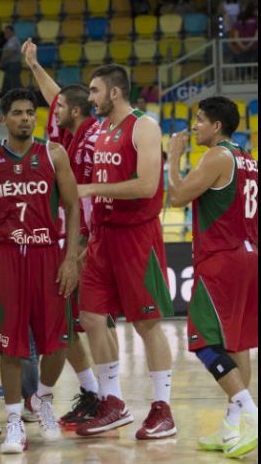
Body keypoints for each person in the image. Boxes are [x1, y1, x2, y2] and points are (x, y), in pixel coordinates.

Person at [74, 64, 176, 440]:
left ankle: (163, 408)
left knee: (147, 323)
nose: (91, 98)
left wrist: (91, 189)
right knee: (90, 316)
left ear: (114, 92)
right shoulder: (101, 131)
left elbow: (148, 186)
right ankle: (112, 401)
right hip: (104, 235)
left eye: (95, 90)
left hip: (137, 236)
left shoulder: (144, 126)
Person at [23, 39, 118, 429]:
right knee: (70, 321)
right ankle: (94, 393)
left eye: (59, 108)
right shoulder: (71, 137)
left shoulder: (96, 137)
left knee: (96, 321)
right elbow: (57, 96)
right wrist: (33, 66)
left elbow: (100, 197)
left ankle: (111, 398)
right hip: (74, 241)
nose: (52, 110)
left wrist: (83, 248)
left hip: (93, 243)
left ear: (75, 110)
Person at [0, 88, 80, 454]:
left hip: (46, 253)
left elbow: (73, 208)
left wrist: (71, 258)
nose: (26, 118)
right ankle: (13, 422)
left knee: (58, 341)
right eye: (17, 113)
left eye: (30, 112)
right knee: (10, 346)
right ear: (5, 119)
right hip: (8, 256)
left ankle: (42, 398)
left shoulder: (53, 153)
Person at [166, 96, 258, 459]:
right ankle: (233, 426)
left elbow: (176, 197)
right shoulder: (247, 159)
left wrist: (173, 157)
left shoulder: (217, 157)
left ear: (217, 126)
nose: (194, 126)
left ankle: (250, 414)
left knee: (202, 342)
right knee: (238, 344)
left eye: (200, 120)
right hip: (249, 255)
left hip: (222, 260)